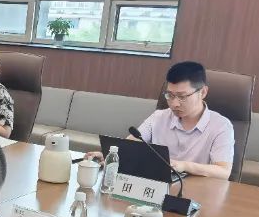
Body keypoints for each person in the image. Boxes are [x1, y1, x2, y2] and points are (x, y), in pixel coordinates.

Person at [99, 61, 234, 179]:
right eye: (170, 95)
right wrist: (110, 155)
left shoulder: (221, 126)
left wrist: (184, 166)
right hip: (156, 185)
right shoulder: (159, 117)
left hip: (197, 191)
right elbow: (130, 146)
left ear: (203, 92)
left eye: (182, 96)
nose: (174, 104)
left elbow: (223, 171)